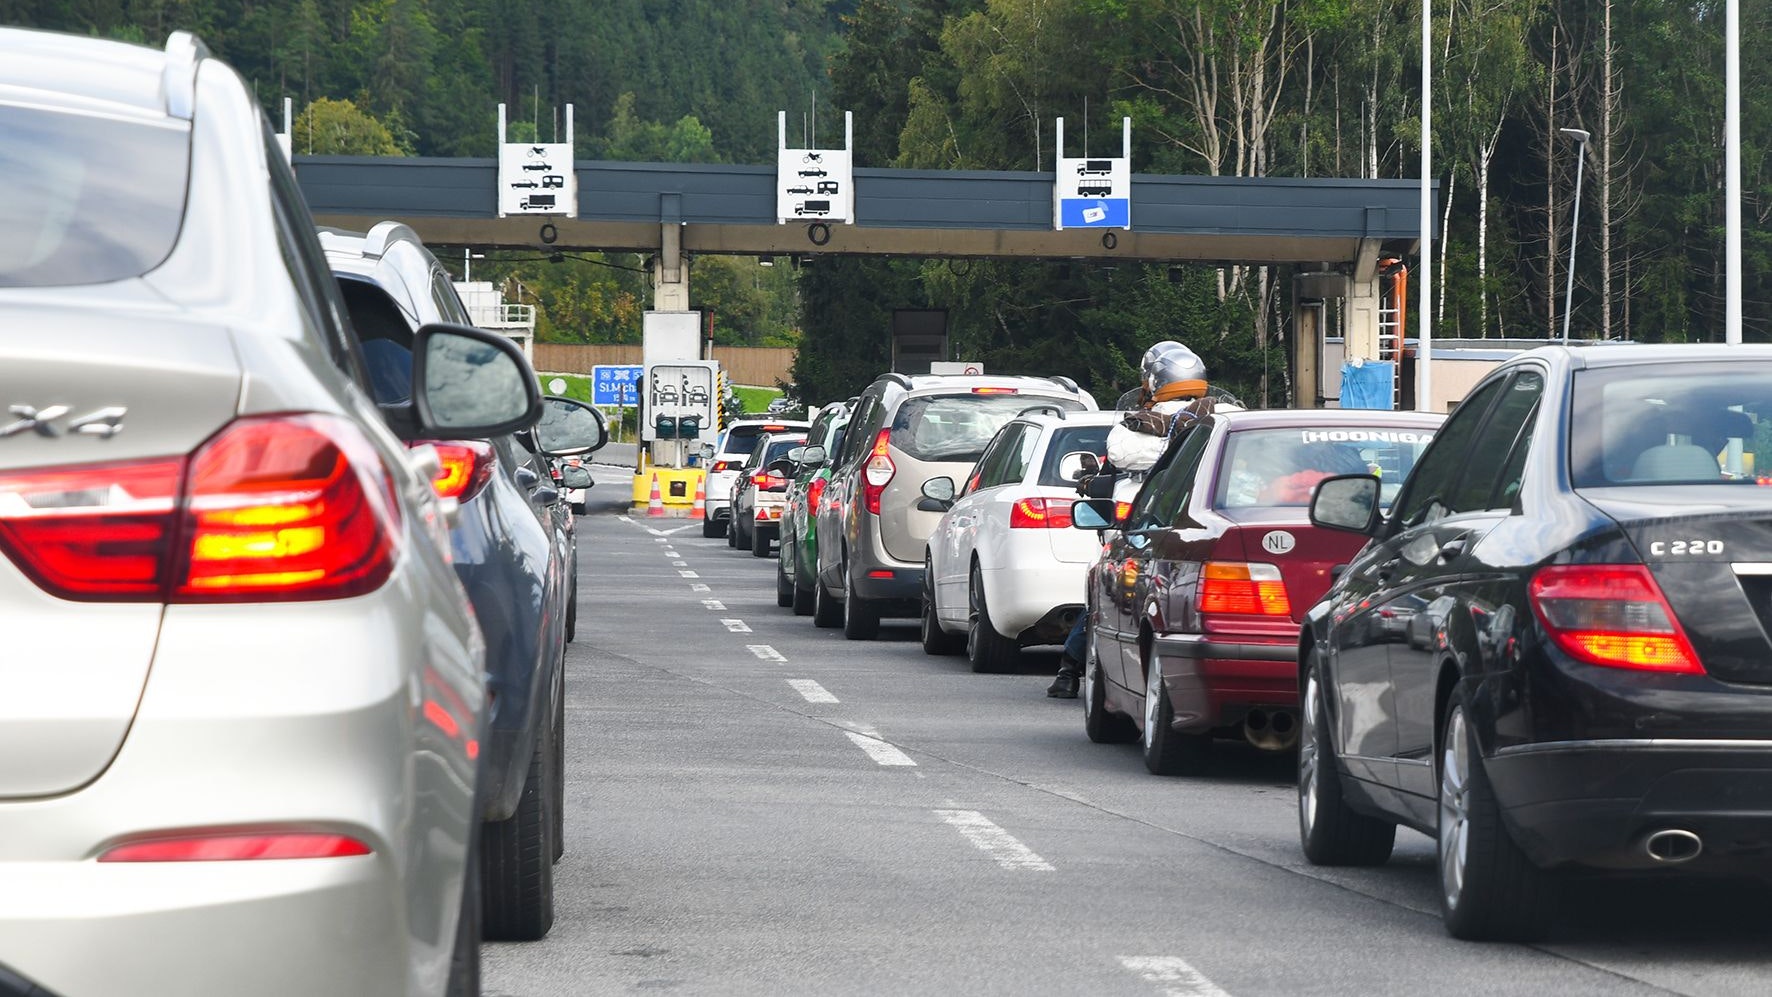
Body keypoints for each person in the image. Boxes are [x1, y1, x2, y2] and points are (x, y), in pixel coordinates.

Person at [1048, 342, 1238, 698]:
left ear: (1152, 380)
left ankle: (1070, 669)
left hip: (1146, 532)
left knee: (1107, 591)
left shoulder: (1136, 428)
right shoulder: (1227, 419)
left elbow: (1119, 456)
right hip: (1215, 529)